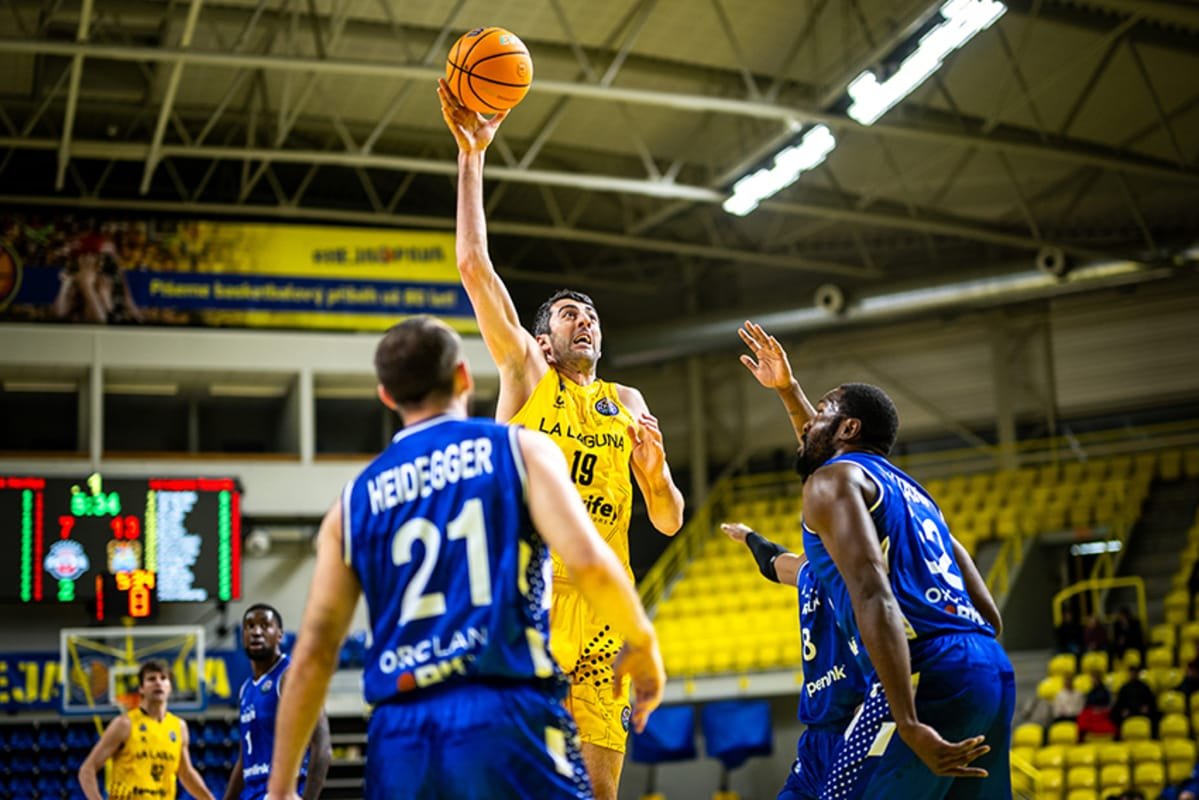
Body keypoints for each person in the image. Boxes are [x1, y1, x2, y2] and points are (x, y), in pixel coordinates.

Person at [265, 316, 664, 800]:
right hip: (499, 705)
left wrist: (280, 788)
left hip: (399, 733)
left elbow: (313, 654)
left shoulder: (351, 505)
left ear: (387, 396)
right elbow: (590, 562)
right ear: (463, 377)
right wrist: (641, 638)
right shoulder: (518, 450)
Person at [438, 80, 685, 799]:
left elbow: (669, 519)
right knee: (514, 781)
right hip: (530, 597)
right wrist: (472, 157)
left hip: (604, 602)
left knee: (600, 792)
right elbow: (473, 269)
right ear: (543, 340)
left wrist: (655, 475)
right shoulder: (525, 376)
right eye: (570, 314)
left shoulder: (627, 403)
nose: (586, 321)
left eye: (592, 315)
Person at [736, 320, 1010, 799]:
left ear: (849, 428)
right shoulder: (916, 498)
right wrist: (788, 390)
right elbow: (991, 616)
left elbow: (873, 593)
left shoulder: (832, 482)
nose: (809, 423)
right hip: (989, 667)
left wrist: (907, 720)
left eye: (823, 411)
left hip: (925, 671)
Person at [721, 521, 867, 799]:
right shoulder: (808, 570)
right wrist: (749, 536)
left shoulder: (864, 579)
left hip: (855, 729)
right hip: (815, 740)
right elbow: (772, 562)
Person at [224, 604, 331, 800]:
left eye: (265, 626)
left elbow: (322, 747)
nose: (256, 632)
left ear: (279, 635)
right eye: (250, 626)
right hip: (253, 793)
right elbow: (244, 760)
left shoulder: (292, 676)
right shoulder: (246, 689)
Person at [77, 659, 214, 800]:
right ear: (141, 688)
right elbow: (87, 769)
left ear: (170, 687)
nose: (158, 683)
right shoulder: (124, 724)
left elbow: (186, 773)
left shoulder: (179, 727)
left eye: (163, 678)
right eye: (151, 679)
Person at [1110, 664, 1159, 735]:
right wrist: (1122, 709)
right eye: (1132, 672)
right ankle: (1119, 737)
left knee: (1155, 716)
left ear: (1138, 673)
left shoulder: (1144, 687)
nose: (1133, 674)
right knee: (1114, 715)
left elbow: (1151, 700)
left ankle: (1153, 736)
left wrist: (1147, 707)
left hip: (1142, 712)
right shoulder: (1125, 687)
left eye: (1135, 672)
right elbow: (1120, 702)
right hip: (1128, 712)